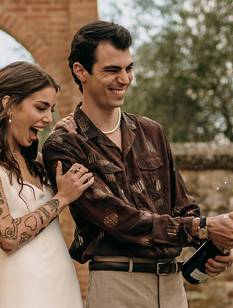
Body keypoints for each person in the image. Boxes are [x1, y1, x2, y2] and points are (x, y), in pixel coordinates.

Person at [42, 21, 233, 308]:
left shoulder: (151, 130)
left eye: (128, 68)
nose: (124, 79)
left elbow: (182, 204)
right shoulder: (65, 145)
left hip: (172, 286)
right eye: (111, 70)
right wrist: (202, 228)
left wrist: (213, 245)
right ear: (81, 71)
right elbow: (120, 220)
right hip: (117, 284)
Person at [0, 61, 94, 308]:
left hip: (61, 283)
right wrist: (62, 198)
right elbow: (8, 237)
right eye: (40, 107)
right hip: (20, 291)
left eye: (50, 111)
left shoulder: (38, 164)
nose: (47, 119)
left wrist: (63, 140)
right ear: (8, 104)